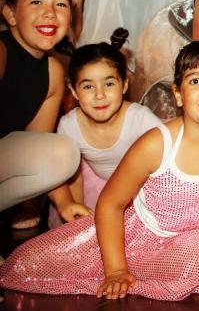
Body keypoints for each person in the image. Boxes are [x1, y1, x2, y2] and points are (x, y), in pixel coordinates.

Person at [0, 40, 199, 301]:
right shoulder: (156, 144)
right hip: (142, 233)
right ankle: (137, 267)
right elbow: (110, 204)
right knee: (28, 263)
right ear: (178, 95)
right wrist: (115, 270)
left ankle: (173, 268)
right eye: (195, 81)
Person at [48, 30, 161, 226]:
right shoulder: (69, 126)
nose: (99, 95)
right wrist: (76, 216)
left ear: (124, 85)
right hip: (94, 186)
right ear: (73, 91)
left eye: (109, 84)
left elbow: (168, 162)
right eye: (88, 87)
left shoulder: (140, 119)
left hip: (141, 189)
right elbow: (67, 174)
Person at [0, 0, 80, 216]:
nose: (50, 13)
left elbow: (40, 149)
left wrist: (65, 203)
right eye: (36, 2)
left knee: (63, 153)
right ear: (11, 14)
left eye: (60, 4)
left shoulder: (53, 72)